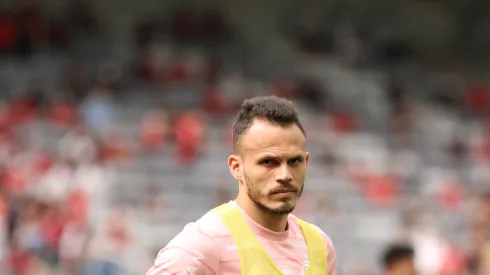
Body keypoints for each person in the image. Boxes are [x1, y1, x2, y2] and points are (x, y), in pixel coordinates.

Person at [146, 96, 337, 274]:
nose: (285, 175)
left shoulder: (320, 245)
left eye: (294, 161)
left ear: (306, 162)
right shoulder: (204, 244)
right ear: (236, 168)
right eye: (268, 162)